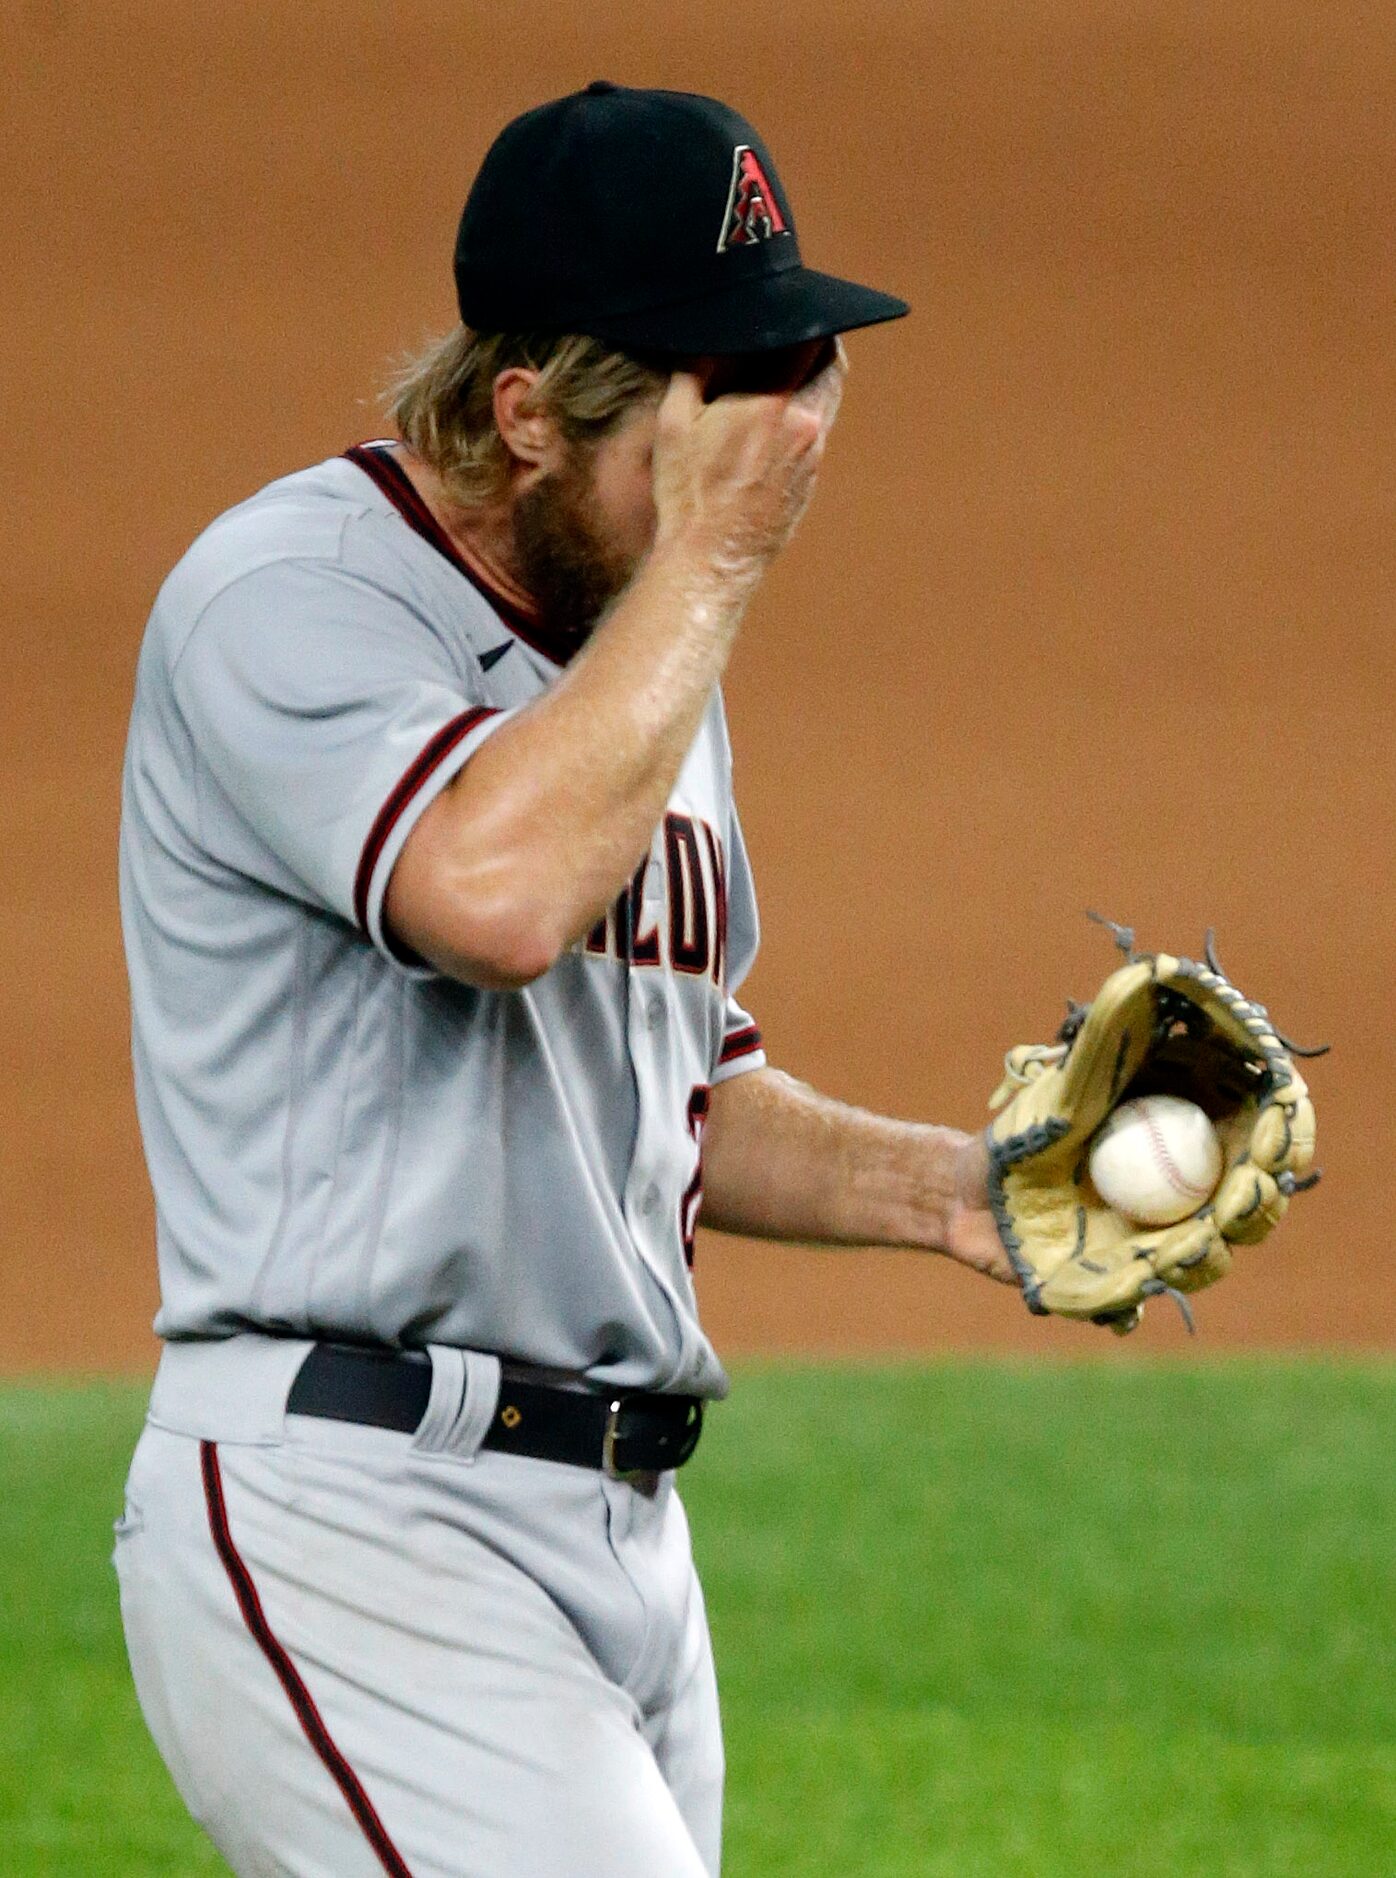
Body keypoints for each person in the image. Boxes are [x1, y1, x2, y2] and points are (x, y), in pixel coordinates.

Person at [114, 81, 1014, 1878]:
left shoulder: (644, 645)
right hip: (352, 1513)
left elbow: (675, 1092)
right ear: (523, 411)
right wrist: (715, 560)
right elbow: (493, 898)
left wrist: (959, 1189)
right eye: (704, 420)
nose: (770, 454)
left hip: (619, 1541)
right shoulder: (286, 598)